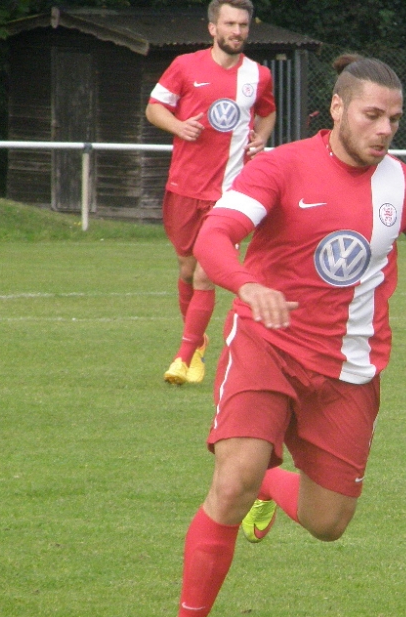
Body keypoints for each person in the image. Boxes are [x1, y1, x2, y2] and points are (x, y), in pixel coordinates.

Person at [149, 53, 406, 617]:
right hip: (267, 345)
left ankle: (271, 484)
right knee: (232, 480)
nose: (385, 130)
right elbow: (215, 235)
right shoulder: (280, 167)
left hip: (349, 367)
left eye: (394, 119)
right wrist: (246, 285)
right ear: (338, 108)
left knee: (328, 523)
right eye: (372, 115)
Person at [145, 0, 277, 385]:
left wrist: (261, 138)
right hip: (185, 188)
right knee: (187, 271)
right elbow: (154, 108)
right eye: (230, 24)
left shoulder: (259, 75)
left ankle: (184, 358)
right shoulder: (185, 66)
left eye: (243, 25)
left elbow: (267, 111)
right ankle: (197, 339)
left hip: (232, 194)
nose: (237, 31)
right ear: (213, 28)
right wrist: (178, 126)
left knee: (206, 274)